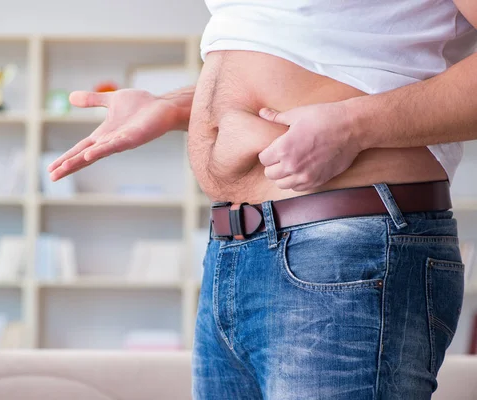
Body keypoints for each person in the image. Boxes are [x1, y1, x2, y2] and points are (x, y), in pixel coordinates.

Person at [48, 1, 477, 398]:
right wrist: (176, 106)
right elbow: (308, 49)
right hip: (233, 253)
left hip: (346, 247)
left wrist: (352, 127)